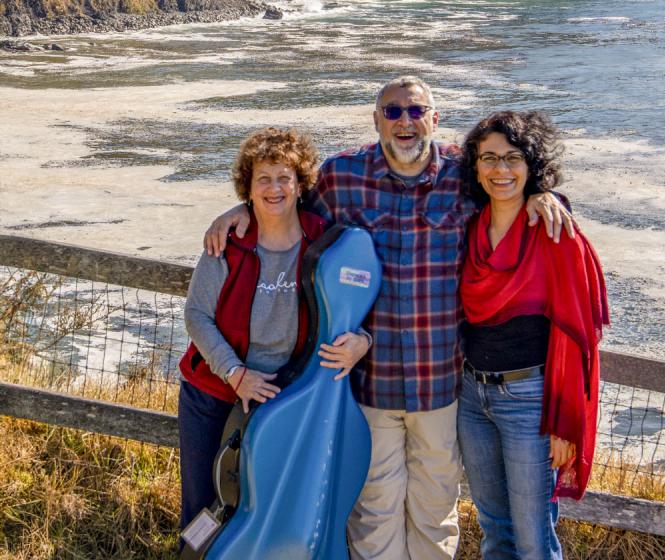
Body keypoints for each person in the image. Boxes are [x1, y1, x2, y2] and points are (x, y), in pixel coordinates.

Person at [201, 76, 574, 560]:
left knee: (434, 513)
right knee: (373, 514)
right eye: (392, 111)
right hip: (367, 387)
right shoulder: (343, 177)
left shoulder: (465, 176)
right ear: (376, 119)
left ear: (435, 120)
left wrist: (546, 195)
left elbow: (512, 189)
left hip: (441, 386)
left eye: (416, 111)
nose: (405, 121)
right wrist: (240, 209)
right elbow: (283, 203)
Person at [178, 127, 371, 532]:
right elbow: (197, 315)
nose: (274, 188)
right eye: (262, 178)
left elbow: (357, 297)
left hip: (286, 396)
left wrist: (364, 339)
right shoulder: (228, 241)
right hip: (213, 392)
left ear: (301, 184)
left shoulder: (325, 241)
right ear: (246, 189)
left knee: (268, 510)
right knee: (205, 507)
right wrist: (236, 374)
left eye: (284, 177)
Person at [457, 111, 609, 559]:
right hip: (472, 397)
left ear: (532, 165)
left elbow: (577, 334)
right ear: (476, 166)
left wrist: (565, 423)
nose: (500, 170)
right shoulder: (469, 225)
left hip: (530, 403)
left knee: (534, 541)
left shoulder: (554, 230)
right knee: (494, 531)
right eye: (489, 158)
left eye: (513, 158)